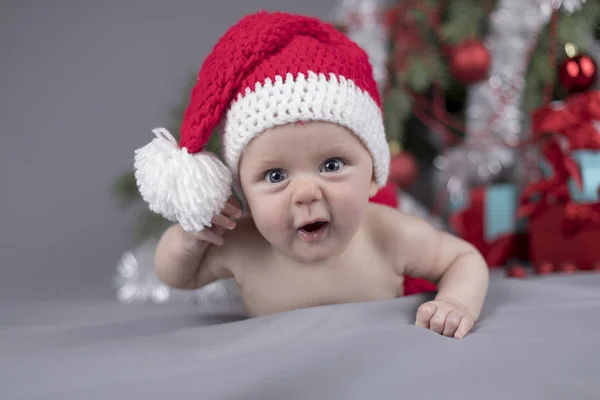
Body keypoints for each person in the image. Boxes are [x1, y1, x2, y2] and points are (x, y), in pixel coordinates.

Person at [134, 11, 489, 339]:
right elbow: (179, 276)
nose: (305, 192)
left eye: (332, 166)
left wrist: (456, 302)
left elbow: (463, 258)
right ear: (243, 192)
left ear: (372, 177)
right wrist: (189, 240)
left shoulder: (388, 235)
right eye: (275, 175)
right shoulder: (243, 244)